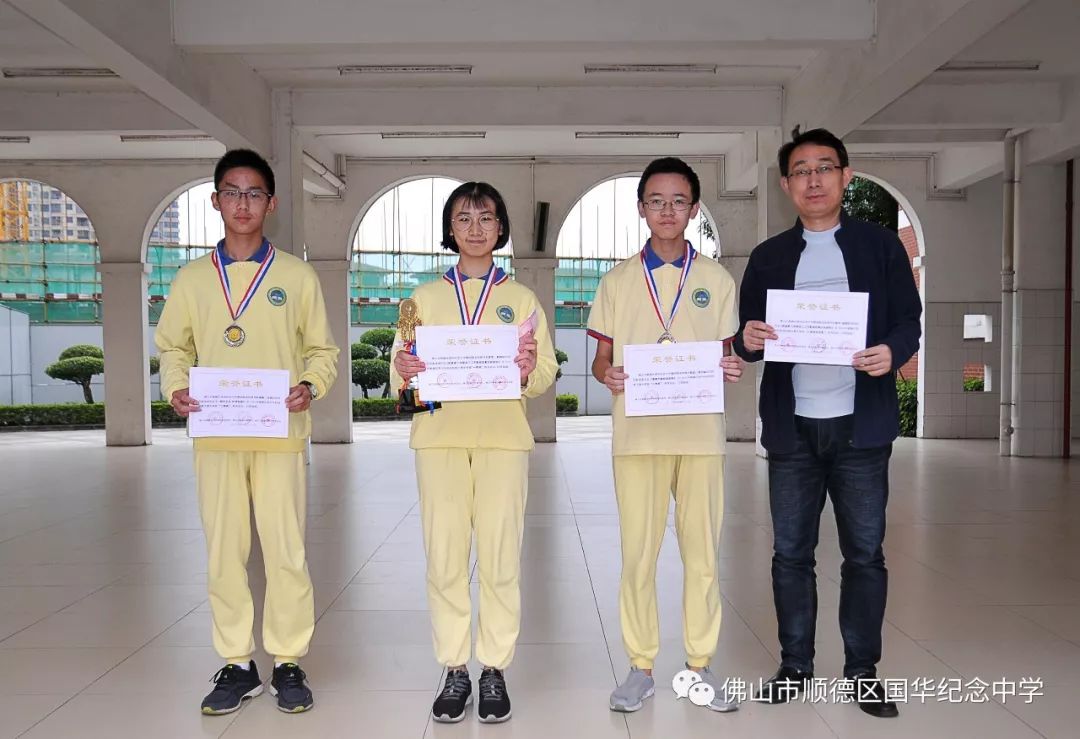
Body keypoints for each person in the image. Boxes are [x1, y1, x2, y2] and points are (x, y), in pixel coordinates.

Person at [733, 128, 921, 718]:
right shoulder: (768, 256)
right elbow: (750, 340)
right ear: (786, 184)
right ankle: (795, 664)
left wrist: (892, 351)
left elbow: (908, 320)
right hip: (793, 429)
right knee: (791, 552)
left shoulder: (880, 247)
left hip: (860, 428)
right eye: (801, 171)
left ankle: (863, 671)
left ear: (845, 175)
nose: (813, 180)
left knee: (864, 553)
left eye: (825, 168)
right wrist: (749, 338)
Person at [155, 148, 339, 715]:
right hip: (216, 435)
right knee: (224, 550)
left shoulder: (295, 275)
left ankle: (287, 659)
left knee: (285, 548)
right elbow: (172, 347)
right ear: (216, 201)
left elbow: (322, 349)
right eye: (232, 192)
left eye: (253, 193)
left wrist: (309, 384)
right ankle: (237, 662)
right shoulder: (191, 279)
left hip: (279, 431)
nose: (242, 202)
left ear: (271, 203)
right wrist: (175, 387)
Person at [391, 181, 558, 724]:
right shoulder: (419, 300)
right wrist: (406, 373)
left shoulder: (521, 299)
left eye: (486, 218)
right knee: (444, 557)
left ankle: (494, 669)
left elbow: (547, 371)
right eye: (464, 218)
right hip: (439, 439)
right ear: (450, 230)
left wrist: (530, 368)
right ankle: (454, 668)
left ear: (501, 228)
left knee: (501, 556)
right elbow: (402, 373)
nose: (476, 228)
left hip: (503, 440)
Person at [588, 157, 744, 713]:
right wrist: (607, 374)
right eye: (657, 200)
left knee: (703, 554)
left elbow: (726, 356)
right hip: (637, 438)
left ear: (695, 209)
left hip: (700, 435)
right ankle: (640, 665)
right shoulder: (617, 281)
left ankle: (699, 665)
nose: (668, 210)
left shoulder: (717, 281)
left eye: (679, 201)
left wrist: (730, 368)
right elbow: (601, 361)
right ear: (641, 209)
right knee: (639, 555)